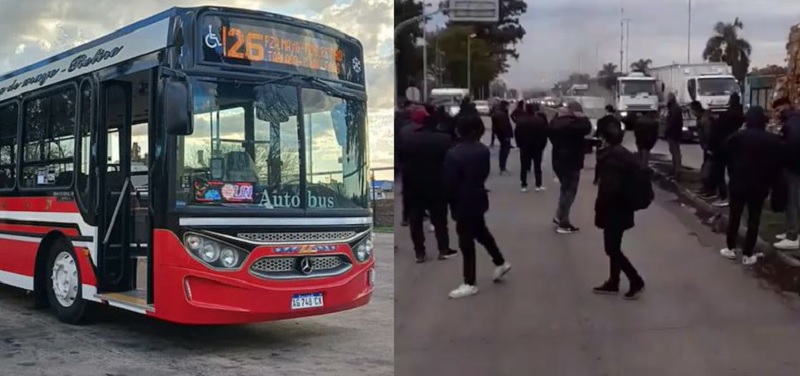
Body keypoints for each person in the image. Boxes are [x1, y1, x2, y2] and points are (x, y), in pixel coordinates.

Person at [444, 111, 512, 299]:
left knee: (466, 242)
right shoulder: (482, 149)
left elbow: (449, 183)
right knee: (481, 232)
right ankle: (500, 261)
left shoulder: (454, 154)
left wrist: (448, 202)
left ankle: (469, 282)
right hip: (478, 197)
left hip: (461, 201)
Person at [718, 106, 784, 265]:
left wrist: (732, 171)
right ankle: (748, 254)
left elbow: (724, 154)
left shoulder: (737, 137)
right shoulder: (772, 140)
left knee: (735, 216)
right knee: (754, 219)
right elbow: (777, 165)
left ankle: (731, 248)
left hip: (738, 183)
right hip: (759, 186)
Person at [592, 121, 646, 300]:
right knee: (614, 246)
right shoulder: (623, 155)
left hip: (614, 209)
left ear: (604, 138)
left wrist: (600, 208)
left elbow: (610, 189)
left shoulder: (612, 159)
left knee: (611, 249)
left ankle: (635, 280)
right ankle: (613, 281)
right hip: (623, 208)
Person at [399, 107, 458, 263]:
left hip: (414, 186)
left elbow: (402, 162)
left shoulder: (409, 140)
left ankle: (420, 253)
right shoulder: (444, 139)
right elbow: (451, 163)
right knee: (439, 220)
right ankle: (443, 250)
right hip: (437, 186)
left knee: (415, 221)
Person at [549, 101, 593, 234]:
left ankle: (558, 216)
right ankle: (564, 222)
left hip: (557, 160)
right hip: (572, 161)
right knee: (570, 192)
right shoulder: (573, 125)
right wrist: (582, 116)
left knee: (564, 189)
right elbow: (587, 128)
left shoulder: (554, 123)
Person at [707, 93, 745, 207]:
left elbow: (716, 132)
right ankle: (730, 196)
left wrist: (711, 146)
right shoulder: (742, 116)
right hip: (737, 149)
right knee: (733, 174)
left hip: (722, 148)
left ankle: (723, 196)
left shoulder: (725, 116)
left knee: (720, 173)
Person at [773, 97, 800, 250]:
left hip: (794, 168)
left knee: (792, 202)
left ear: (786, 106)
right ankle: (791, 230)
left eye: (778, 110)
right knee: (793, 201)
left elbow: (793, 145)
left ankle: (792, 236)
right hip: (794, 166)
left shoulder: (792, 123)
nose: (777, 114)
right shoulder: (793, 120)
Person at [514, 102, 549, 192]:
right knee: (537, 166)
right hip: (537, 147)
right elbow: (544, 134)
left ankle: (524, 185)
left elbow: (517, 134)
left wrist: (519, 145)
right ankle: (538, 185)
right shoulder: (540, 121)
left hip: (525, 147)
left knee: (524, 166)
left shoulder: (521, 121)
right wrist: (542, 145)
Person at [690, 101, 717, 197]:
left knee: (708, 169)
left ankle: (710, 189)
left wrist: (709, 147)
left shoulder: (705, 120)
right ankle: (706, 188)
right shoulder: (702, 118)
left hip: (709, 147)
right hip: (707, 147)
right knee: (706, 167)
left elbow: (709, 134)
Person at [593, 105, 619, 185]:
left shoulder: (601, 120)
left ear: (606, 110)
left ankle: (597, 178)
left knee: (599, 161)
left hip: (602, 142)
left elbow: (597, 133)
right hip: (613, 144)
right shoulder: (616, 121)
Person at [490, 100, 514, 174]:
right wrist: (508, 135)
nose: (508, 107)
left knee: (503, 149)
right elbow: (505, 125)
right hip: (504, 135)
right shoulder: (502, 114)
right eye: (507, 106)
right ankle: (502, 167)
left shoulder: (499, 113)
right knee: (505, 150)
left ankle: (502, 166)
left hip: (501, 134)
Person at [664, 93, 684, 179]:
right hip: (673, 133)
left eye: (668, 98)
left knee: (675, 152)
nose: (667, 99)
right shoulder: (672, 107)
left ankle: (677, 171)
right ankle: (675, 170)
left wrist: (667, 129)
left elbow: (673, 121)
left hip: (674, 133)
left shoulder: (674, 108)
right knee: (674, 152)